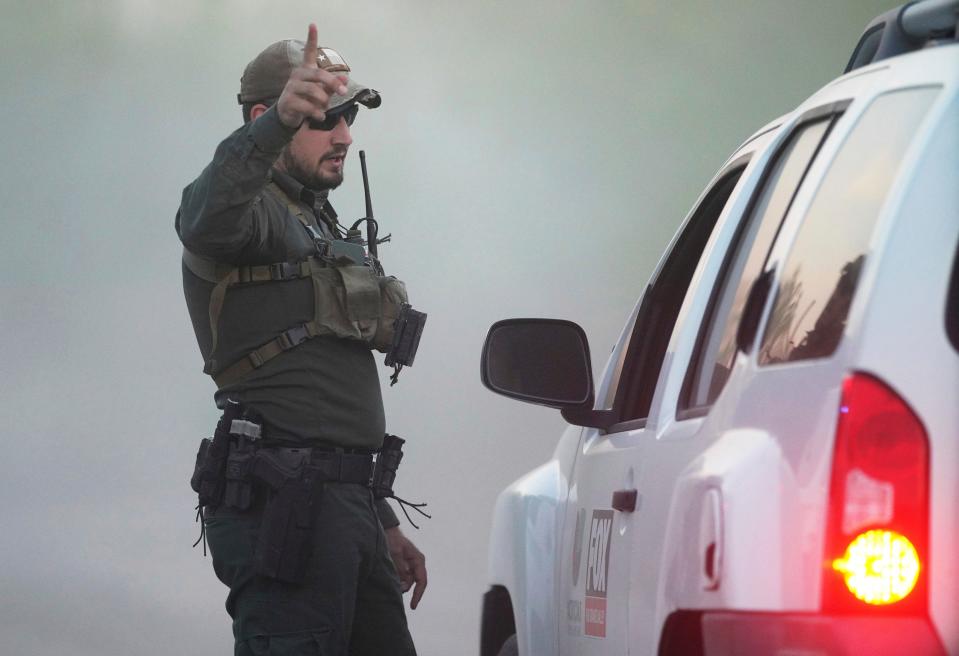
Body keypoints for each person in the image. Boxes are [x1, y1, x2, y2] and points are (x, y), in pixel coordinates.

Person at [176, 24, 425, 655]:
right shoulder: (249, 214)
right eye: (324, 118)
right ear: (270, 119)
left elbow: (328, 402)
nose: (344, 135)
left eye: (347, 118)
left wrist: (381, 521)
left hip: (347, 506)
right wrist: (276, 125)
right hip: (288, 507)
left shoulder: (312, 216)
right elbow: (203, 216)